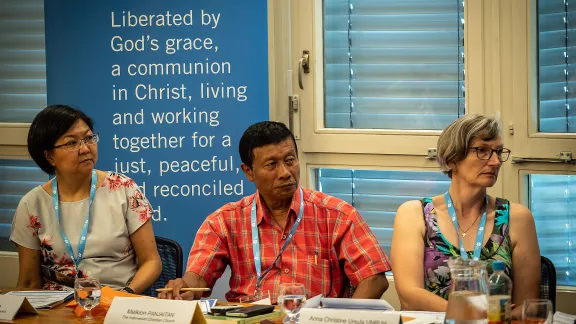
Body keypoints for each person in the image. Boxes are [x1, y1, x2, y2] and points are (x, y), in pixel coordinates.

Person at [158, 121, 391, 302]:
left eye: (290, 160)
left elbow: (374, 279)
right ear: (249, 172)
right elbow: (198, 278)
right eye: (272, 165)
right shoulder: (224, 221)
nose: (285, 173)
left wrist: (344, 320)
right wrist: (184, 288)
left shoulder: (337, 215)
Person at [391, 114, 540, 317]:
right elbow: (409, 296)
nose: (495, 162)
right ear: (453, 159)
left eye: (498, 152)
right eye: (482, 151)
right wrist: (472, 314)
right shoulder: (414, 214)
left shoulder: (517, 218)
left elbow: (527, 306)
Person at [10, 104, 162, 293]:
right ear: (49, 156)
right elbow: (28, 284)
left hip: (117, 300)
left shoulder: (124, 189)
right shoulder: (32, 204)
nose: (85, 149)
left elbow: (152, 261)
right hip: (59, 309)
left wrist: (126, 295)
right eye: (72, 143)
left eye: (89, 138)